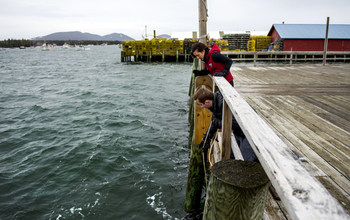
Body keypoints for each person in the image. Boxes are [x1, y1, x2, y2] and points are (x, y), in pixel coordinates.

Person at [193, 87, 257, 162]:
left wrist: (216, 122)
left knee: (244, 161)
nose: (201, 107)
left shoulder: (223, 103)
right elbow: (213, 123)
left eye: (201, 104)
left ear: (207, 102)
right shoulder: (215, 102)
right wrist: (206, 140)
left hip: (251, 131)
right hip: (240, 131)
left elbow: (234, 124)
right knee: (231, 154)